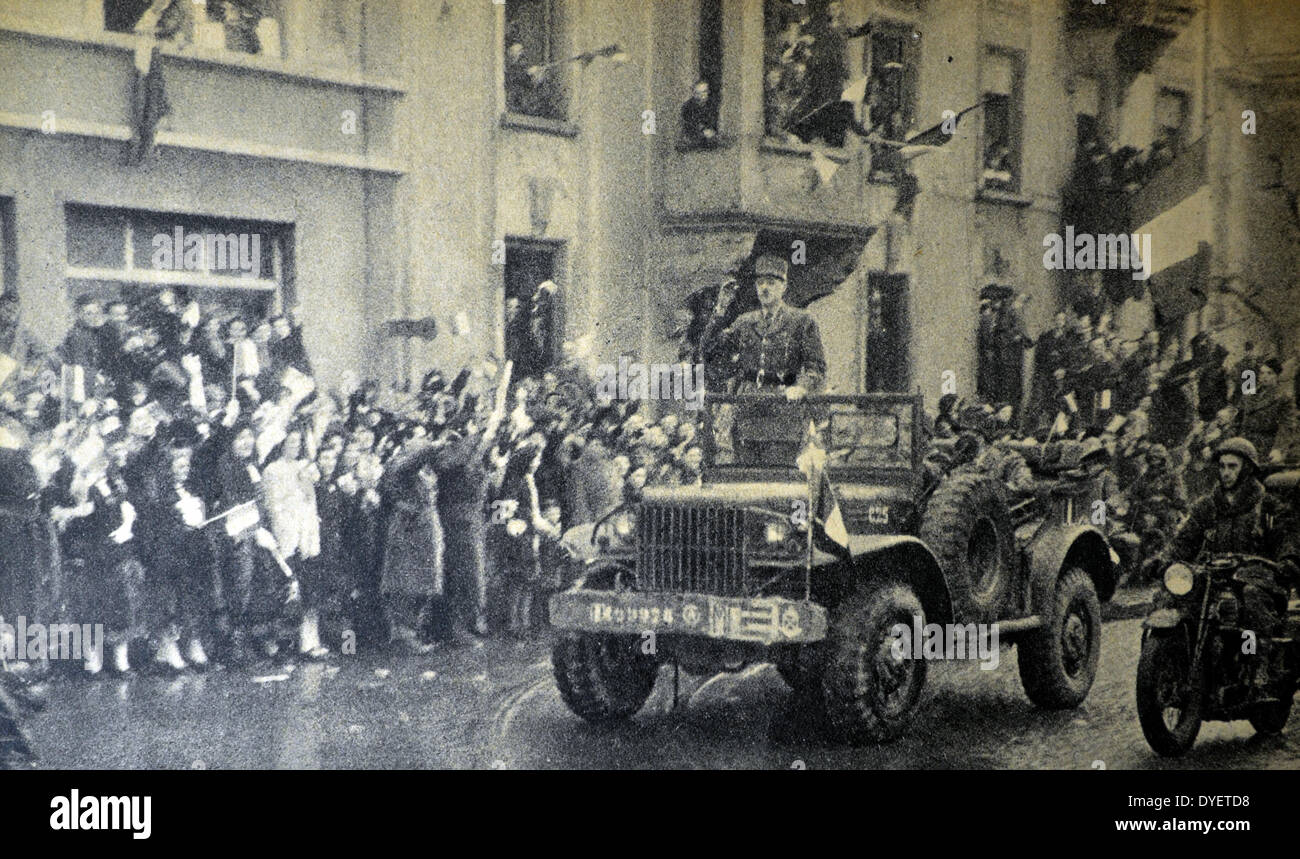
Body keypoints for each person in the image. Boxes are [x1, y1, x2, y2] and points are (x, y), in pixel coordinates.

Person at [1169, 437, 1300, 687]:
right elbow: (1184, 539)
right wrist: (1164, 560)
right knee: (1176, 595)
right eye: (1222, 466)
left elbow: (1287, 536)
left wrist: (1288, 561)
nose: (1226, 473)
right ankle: (1174, 664)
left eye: (1233, 467)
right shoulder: (1208, 506)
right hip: (1215, 576)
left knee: (1251, 599)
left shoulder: (1267, 505)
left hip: (1260, 577)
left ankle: (1256, 662)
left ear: (1247, 469)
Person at [701, 255, 827, 399]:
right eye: (760, 283)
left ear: (784, 287)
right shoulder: (744, 322)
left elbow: (816, 368)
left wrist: (801, 388)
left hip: (784, 402)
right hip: (748, 403)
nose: (764, 288)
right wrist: (721, 309)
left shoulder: (802, 321)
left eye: (771, 283)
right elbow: (710, 352)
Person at [680, 80, 719, 150]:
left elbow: (713, 124)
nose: (702, 95)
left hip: (709, 144)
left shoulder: (712, 106)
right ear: (694, 94)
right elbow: (689, 126)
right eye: (698, 93)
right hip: (692, 143)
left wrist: (711, 131)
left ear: (708, 92)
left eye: (704, 91)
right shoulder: (687, 107)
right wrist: (703, 131)